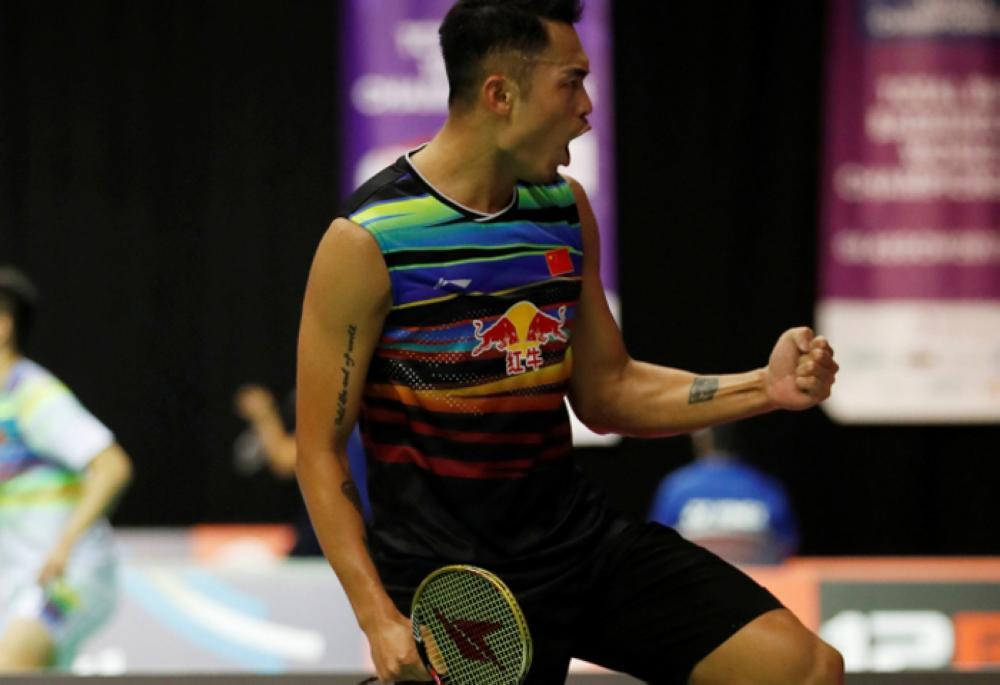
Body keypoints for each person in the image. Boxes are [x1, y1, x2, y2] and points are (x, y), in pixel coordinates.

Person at [295, 1, 843, 683]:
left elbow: (608, 391)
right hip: (454, 581)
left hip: (577, 545)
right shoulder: (369, 240)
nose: (587, 107)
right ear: (501, 93)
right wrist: (375, 615)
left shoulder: (563, 210)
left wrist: (766, 385)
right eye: (571, 81)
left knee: (804, 667)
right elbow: (318, 449)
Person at [0, 267, 133, 671]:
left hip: (66, 576)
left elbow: (113, 466)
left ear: (5, 324)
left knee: (11, 663)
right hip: (20, 580)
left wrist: (65, 544)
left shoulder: (32, 394)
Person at [233, 384, 370, 556]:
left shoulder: (340, 408)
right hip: (362, 529)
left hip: (336, 531)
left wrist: (263, 413)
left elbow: (283, 460)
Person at [649, 424, 799, 565]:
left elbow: (656, 548)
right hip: (754, 588)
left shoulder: (676, 488)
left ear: (700, 438)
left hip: (693, 588)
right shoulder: (766, 487)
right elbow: (787, 548)